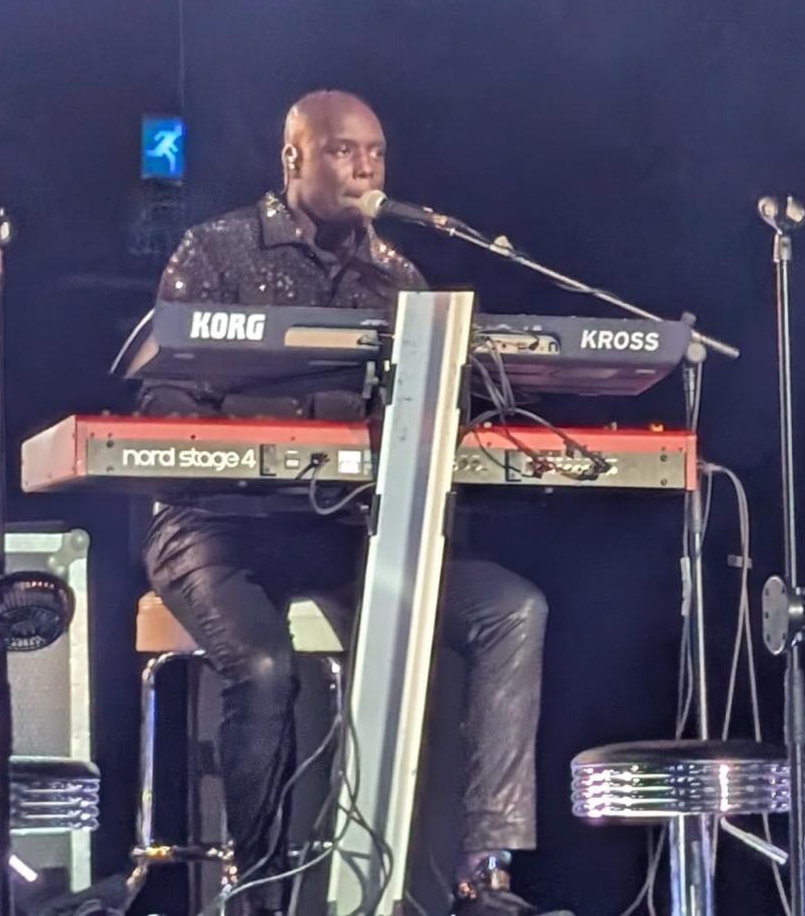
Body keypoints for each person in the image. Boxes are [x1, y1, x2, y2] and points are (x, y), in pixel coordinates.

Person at [139, 90, 564, 916]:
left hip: (344, 530)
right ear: (293, 158)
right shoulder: (216, 251)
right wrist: (308, 420)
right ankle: (256, 891)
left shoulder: (396, 277)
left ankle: (484, 874)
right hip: (216, 528)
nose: (365, 168)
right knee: (263, 667)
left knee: (512, 608)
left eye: (375, 153)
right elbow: (165, 412)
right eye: (343, 151)